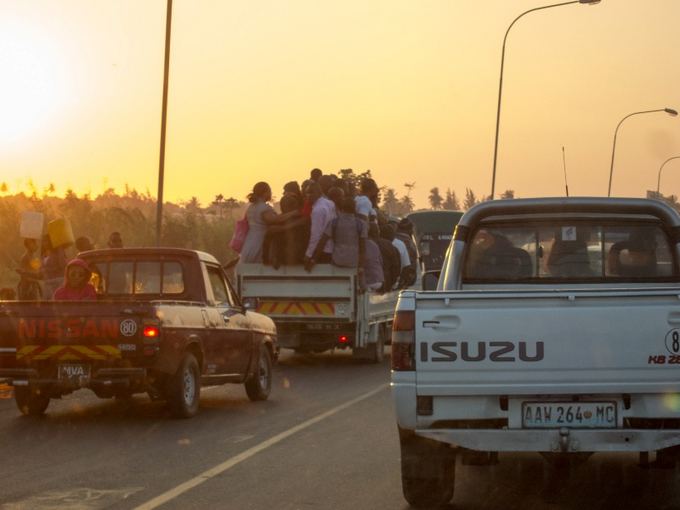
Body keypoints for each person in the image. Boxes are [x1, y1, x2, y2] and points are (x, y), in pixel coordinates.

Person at [240, 182, 299, 263]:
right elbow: (274, 220)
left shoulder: (252, 207)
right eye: (270, 191)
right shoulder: (263, 207)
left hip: (250, 241)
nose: (271, 193)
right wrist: (294, 213)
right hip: (260, 242)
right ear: (265, 193)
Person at [310, 196, 367, 271]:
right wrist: (361, 267)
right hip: (353, 261)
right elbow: (363, 248)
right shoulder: (361, 224)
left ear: (342, 208)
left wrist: (313, 259)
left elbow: (322, 241)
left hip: (337, 260)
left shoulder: (334, 222)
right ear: (354, 208)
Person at [304, 182, 336, 270]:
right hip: (332, 248)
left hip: (321, 252)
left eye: (311, 192)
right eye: (307, 193)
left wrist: (309, 254)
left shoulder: (317, 210)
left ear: (319, 192)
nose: (308, 195)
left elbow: (315, 235)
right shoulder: (330, 203)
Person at [382, 224, 411, 288]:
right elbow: (407, 266)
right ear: (394, 235)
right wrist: (400, 282)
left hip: (382, 282)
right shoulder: (400, 244)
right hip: (395, 282)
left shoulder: (378, 244)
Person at [373, 224, 401, 292]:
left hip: (368, 280)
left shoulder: (367, 243)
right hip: (386, 280)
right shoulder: (390, 246)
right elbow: (396, 267)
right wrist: (392, 282)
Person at [42, 235, 68, 299]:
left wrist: (60, 248)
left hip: (58, 282)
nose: (44, 243)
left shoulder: (58, 252)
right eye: (43, 241)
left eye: (46, 241)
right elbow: (41, 272)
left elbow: (63, 266)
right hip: (48, 284)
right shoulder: (44, 255)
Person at [396, 218, 418, 286]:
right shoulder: (408, 243)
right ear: (409, 230)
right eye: (411, 229)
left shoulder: (392, 239)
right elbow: (410, 263)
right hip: (404, 278)